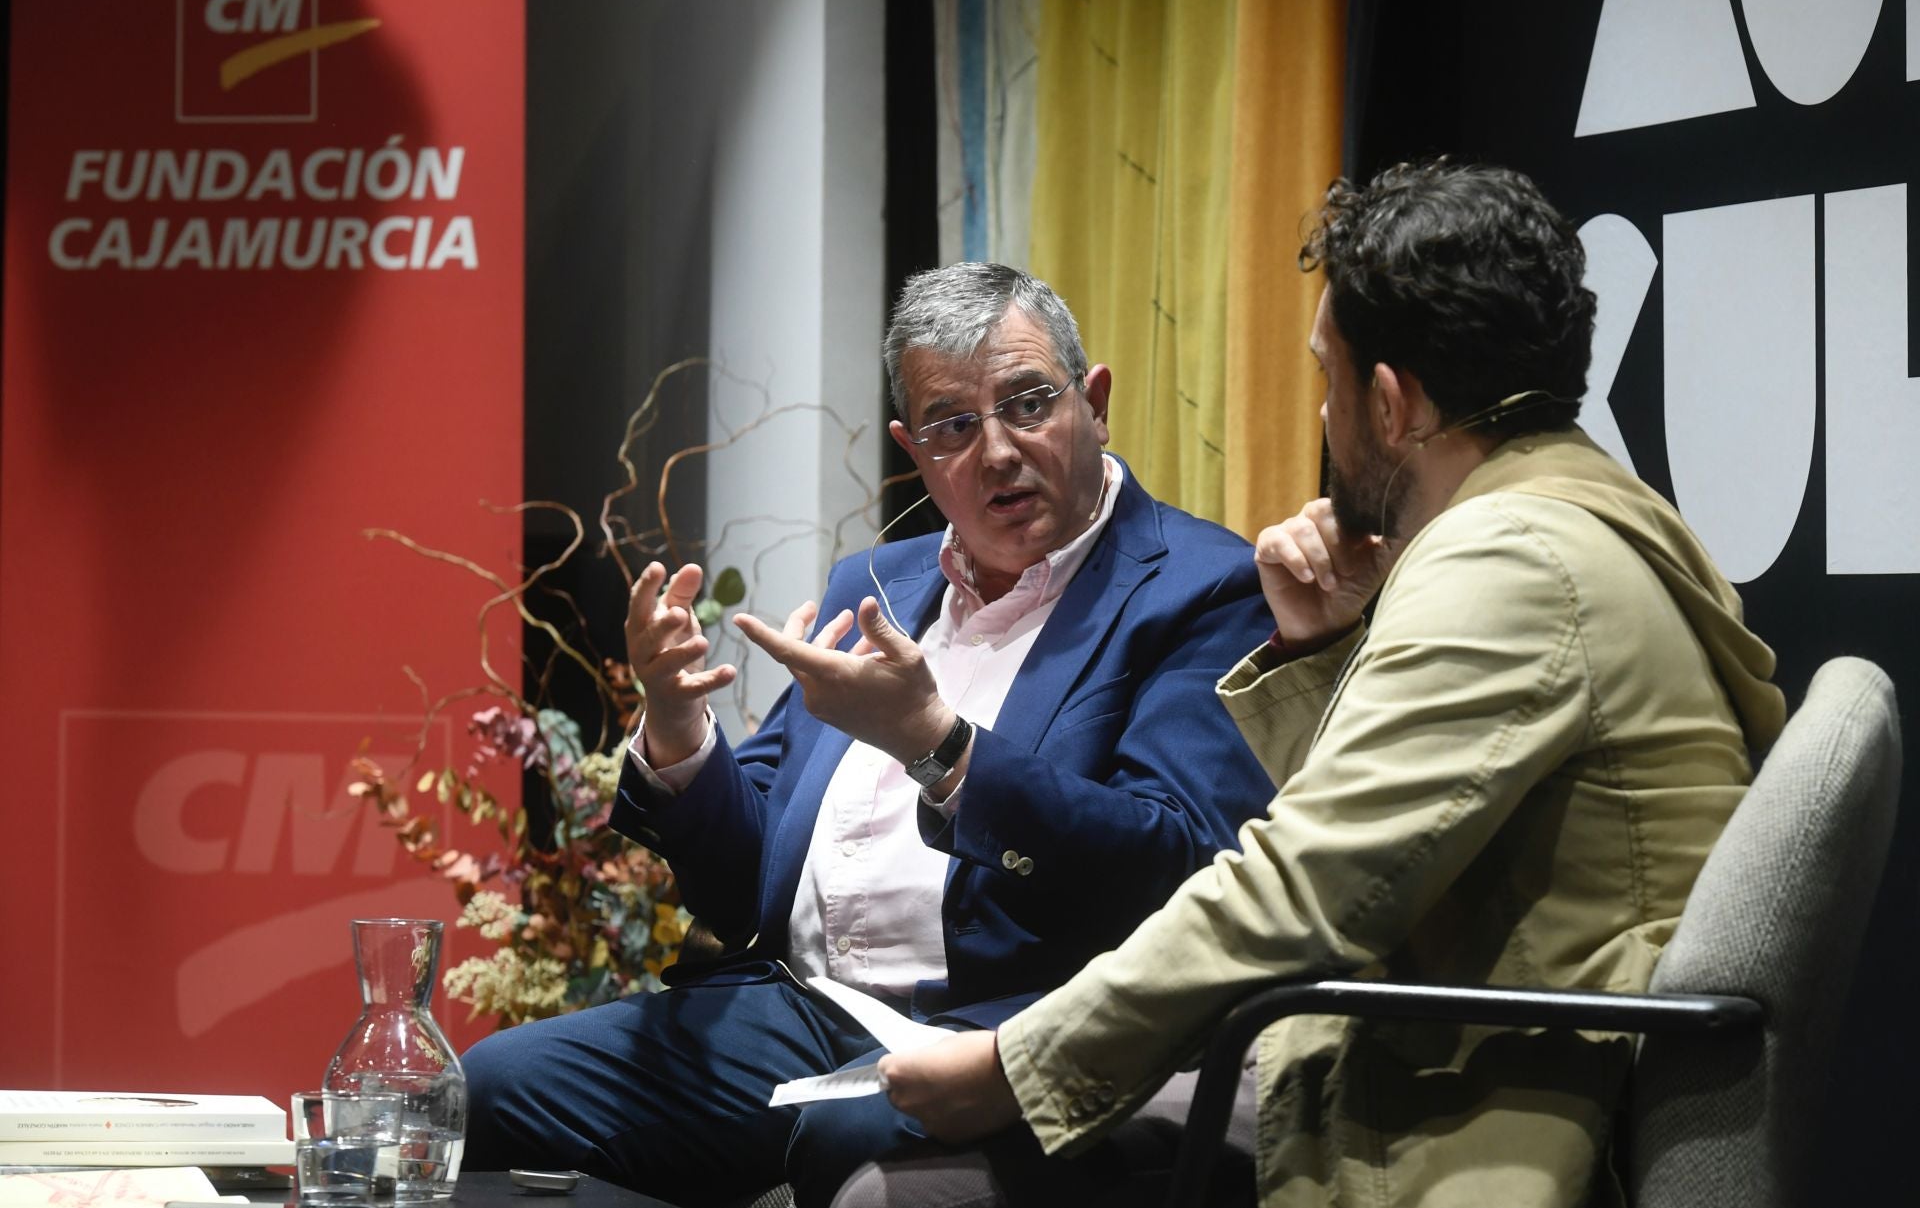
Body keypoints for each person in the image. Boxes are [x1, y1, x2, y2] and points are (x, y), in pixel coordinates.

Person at [860, 162, 1787, 1208]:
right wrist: (1319, 653)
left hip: (1498, 1105)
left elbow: (1299, 894)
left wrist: (1015, 1071)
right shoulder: (1582, 517)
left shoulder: (1511, 563)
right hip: (1491, 1046)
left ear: (1388, 402)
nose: (1322, 412)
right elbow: (1402, 834)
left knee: (900, 1194)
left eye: (1327, 378)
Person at [462, 261, 1277, 1206]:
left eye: (1027, 403)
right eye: (954, 426)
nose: (1000, 450)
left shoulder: (1202, 588)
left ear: (1093, 404)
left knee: (844, 1135)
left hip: (1012, 1024)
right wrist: (681, 725)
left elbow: (1176, 865)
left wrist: (939, 742)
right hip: (803, 1009)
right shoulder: (876, 585)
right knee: (489, 1090)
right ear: (915, 451)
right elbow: (743, 885)